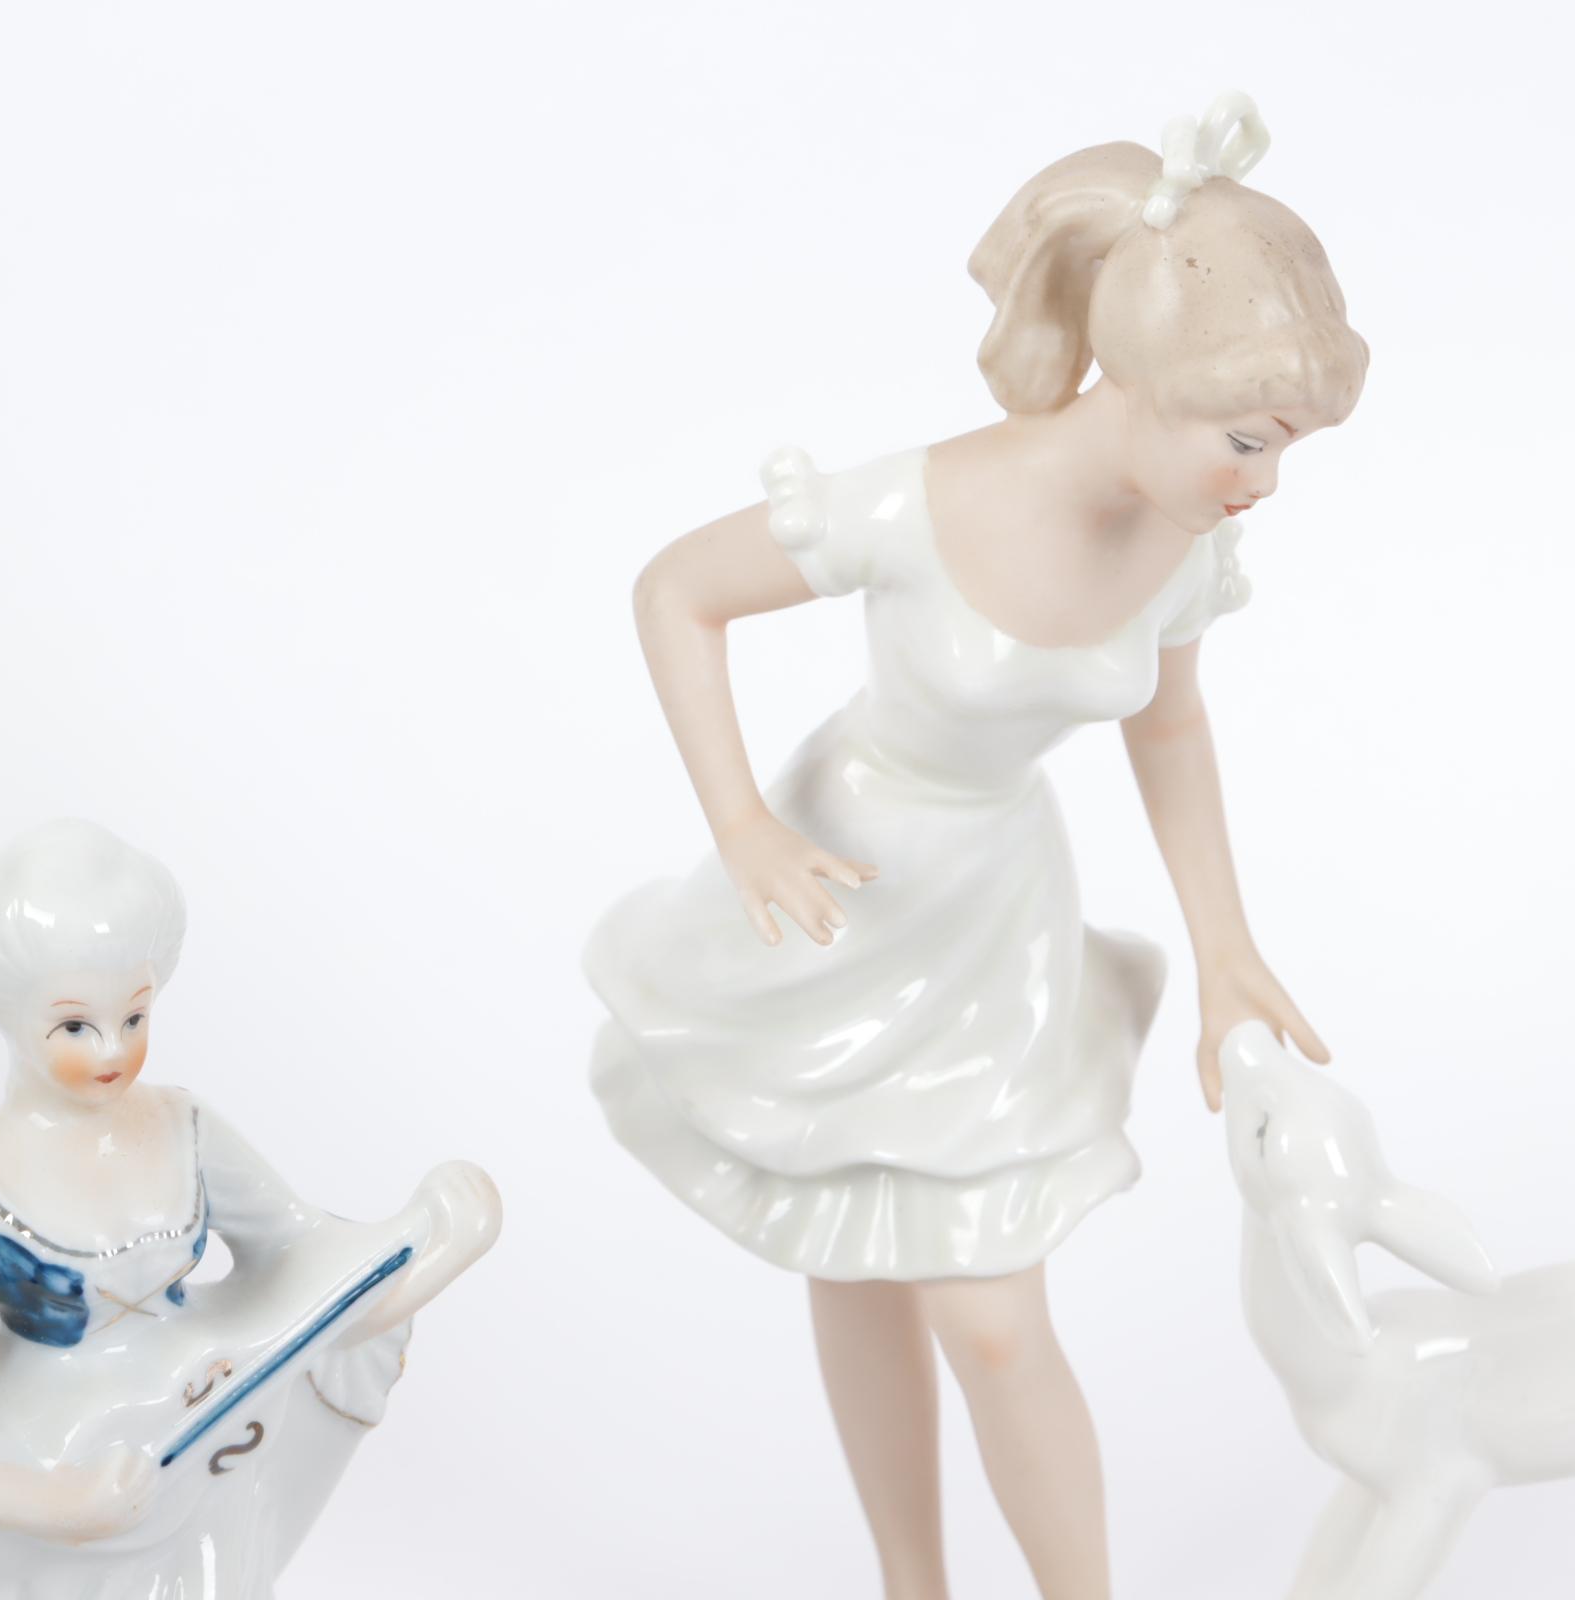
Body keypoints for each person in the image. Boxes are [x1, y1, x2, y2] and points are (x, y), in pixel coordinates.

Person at [583, 93, 1365, 1600]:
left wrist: (1224, 948)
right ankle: (913, 1580)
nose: (1261, 483)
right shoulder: (919, 502)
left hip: (997, 917)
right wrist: (742, 824)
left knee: (993, 1319)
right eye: (1247, 441)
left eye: (1279, 450)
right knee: (857, 1256)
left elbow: (1171, 730)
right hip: (846, 885)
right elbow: (677, 591)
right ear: (1140, 384)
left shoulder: (1186, 540)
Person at [0, 818, 499, 1597]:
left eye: (135, 1017)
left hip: (208, 1452)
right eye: (75, 1025)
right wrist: (59, 1505)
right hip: (65, 1486)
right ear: (10, 1017)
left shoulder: (186, 1128)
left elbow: (314, 1278)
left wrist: (443, 1247)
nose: (113, 1051)